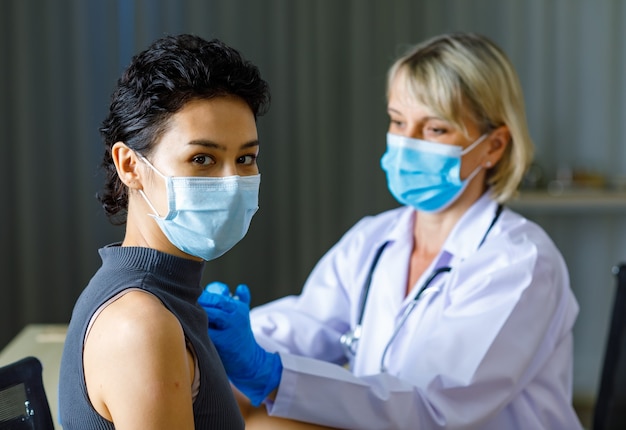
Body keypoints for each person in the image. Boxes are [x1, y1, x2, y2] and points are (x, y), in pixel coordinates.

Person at [199, 32, 583, 429]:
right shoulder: (375, 240)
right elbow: (308, 324)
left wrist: (271, 375)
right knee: (238, 404)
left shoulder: (520, 262)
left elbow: (434, 410)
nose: (407, 143)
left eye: (435, 129)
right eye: (398, 121)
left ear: (494, 146)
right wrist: (213, 334)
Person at [58, 34, 270, 429]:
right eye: (202, 158)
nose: (231, 182)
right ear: (130, 165)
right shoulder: (141, 323)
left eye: (245, 158)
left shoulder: (161, 296)